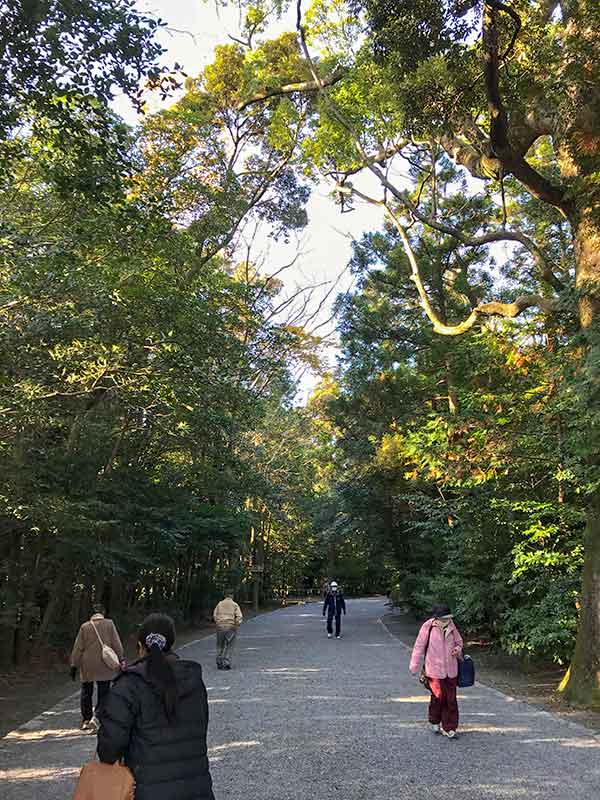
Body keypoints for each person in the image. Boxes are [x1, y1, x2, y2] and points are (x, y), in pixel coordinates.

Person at [97, 613, 215, 800]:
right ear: (172, 643)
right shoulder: (192, 680)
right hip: (196, 788)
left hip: (147, 790)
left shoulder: (128, 686)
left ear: (140, 647)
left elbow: (109, 749)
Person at [409, 603, 464, 739]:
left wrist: (458, 649)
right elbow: (418, 646)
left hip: (451, 670)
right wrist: (414, 665)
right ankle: (434, 720)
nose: (446, 620)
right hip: (433, 670)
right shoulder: (428, 627)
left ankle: (450, 727)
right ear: (436, 618)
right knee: (438, 697)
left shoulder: (451, 625)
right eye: (443, 618)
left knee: (451, 699)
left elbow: (459, 641)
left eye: (448, 618)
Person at [70, 603, 124, 732]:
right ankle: (98, 717)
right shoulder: (109, 624)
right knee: (104, 691)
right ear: (103, 613)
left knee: (86, 691)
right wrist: (121, 658)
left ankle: (86, 720)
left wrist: (74, 665)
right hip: (104, 662)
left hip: (87, 663)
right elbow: (116, 643)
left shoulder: (85, 626)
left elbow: (78, 647)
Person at [213, 589, 243, 670]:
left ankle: (219, 661)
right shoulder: (235, 605)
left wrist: (218, 623)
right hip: (230, 627)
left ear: (224, 595)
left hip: (220, 627)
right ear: (231, 595)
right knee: (229, 645)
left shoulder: (219, 604)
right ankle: (226, 663)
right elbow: (239, 617)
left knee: (220, 645)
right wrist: (236, 625)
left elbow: (215, 615)